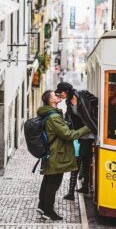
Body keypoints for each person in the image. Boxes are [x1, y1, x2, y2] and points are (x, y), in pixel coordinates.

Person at [37, 90, 91, 220]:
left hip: (51, 152)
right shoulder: (53, 117)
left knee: (48, 181)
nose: (58, 95)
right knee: (53, 183)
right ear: (51, 101)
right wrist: (88, 127)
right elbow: (68, 135)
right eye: (55, 95)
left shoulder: (50, 113)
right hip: (56, 154)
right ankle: (48, 211)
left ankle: (42, 206)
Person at [55, 82, 98, 197]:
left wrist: (93, 119)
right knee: (77, 160)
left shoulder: (82, 95)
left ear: (66, 91)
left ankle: (83, 187)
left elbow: (96, 103)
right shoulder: (69, 102)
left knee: (85, 159)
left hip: (88, 134)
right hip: (79, 134)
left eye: (61, 93)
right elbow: (71, 117)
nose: (60, 95)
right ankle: (71, 192)